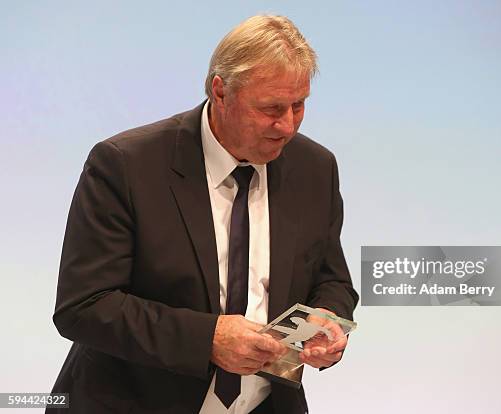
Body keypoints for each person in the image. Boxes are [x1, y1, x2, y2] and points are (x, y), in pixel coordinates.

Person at [48, 14, 358, 414]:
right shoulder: (125, 165)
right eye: (270, 108)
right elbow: (84, 306)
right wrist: (207, 339)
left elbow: (331, 278)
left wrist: (327, 320)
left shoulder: (315, 168)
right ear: (221, 92)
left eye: (299, 105)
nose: (287, 126)